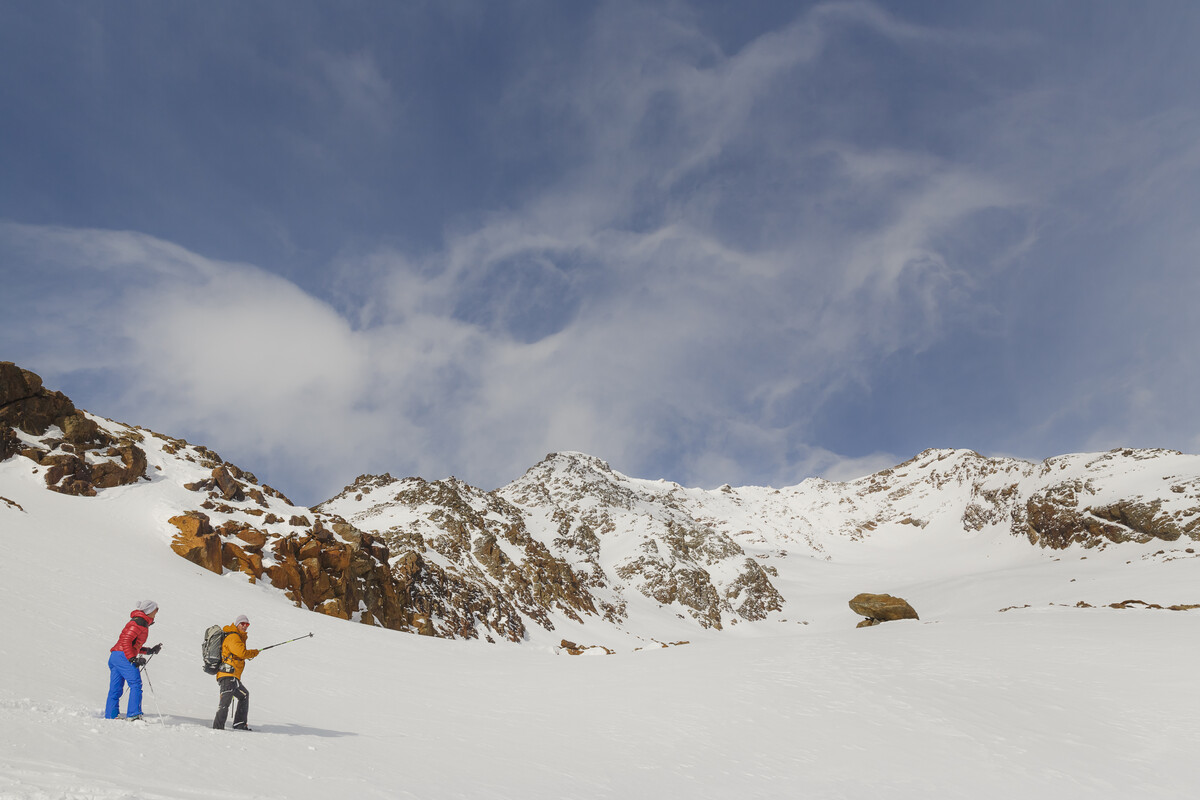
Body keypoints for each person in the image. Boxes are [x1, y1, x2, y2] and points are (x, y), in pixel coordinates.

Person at [105, 600, 162, 721]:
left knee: (115, 688)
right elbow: (126, 641)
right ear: (149, 610)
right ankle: (134, 714)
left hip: (116, 656)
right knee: (136, 684)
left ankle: (111, 715)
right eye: (155, 610)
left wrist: (149, 651)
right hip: (123, 657)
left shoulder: (139, 622)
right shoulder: (138, 623)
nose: (156, 612)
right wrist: (132, 658)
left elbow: (132, 644)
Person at [213, 614, 259, 731]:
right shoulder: (233, 637)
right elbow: (241, 653)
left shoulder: (238, 637)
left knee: (244, 695)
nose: (245, 626)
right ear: (237, 624)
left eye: (247, 624)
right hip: (227, 675)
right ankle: (218, 727)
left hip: (233, 676)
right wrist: (253, 652)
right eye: (242, 624)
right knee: (225, 701)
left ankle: (239, 724)